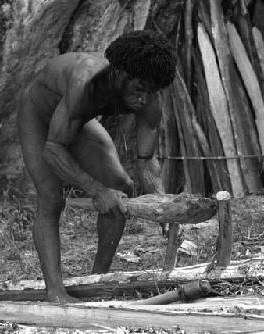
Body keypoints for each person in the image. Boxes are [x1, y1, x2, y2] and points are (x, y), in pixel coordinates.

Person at [17, 30, 177, 303]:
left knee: (121, 189)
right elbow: (53, 149)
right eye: (139, 89)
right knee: (51, 199)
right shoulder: (85, 82)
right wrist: (96, 190)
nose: (143, 99)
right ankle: (56, 293)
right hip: (40, 117)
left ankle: (96, 282)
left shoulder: (149, 99)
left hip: (75, 122)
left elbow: (146, 160)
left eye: (150, 92)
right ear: (118, 74)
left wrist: (163, 205)